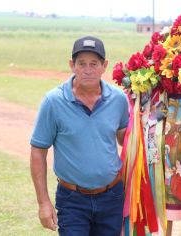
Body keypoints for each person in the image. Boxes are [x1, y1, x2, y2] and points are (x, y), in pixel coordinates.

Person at [30, 35, 129, 235]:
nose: (88, 69)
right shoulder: (53, 101)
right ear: (72, 65)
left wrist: (148, 121)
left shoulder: (118, 99)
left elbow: (122, 138)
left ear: (104, 65)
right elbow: (38, 151)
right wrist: (43, 203)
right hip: (72, 200)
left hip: (112, 197)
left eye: (94, 63)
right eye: (81, 63)